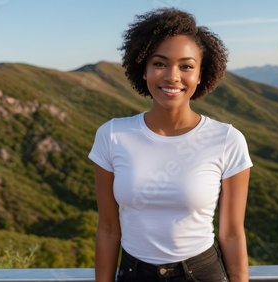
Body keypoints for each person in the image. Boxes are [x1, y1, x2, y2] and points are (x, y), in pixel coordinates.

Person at [89, 7, 253, 282]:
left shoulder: (227, 140)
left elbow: (232, 233)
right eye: (159, 63)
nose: (172, 76)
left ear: (201, 75)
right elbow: (107, 228)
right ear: (143, 69)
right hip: (134, 274)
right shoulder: (113, 135)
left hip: (202, 274)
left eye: (186, 66)